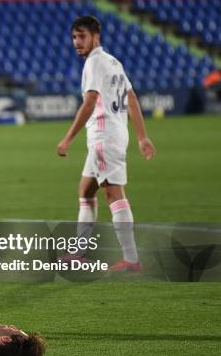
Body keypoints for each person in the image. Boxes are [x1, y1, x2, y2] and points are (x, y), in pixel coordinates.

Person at [57, 16, 156, 272]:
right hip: (114, 133)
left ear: (95, 37)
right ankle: (78, 252)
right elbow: (131, 97)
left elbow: (89, 103)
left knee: (113, 193)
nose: (77, 42)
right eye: (74, 37)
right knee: (86, 191)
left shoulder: (94, 63)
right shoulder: (113, 61)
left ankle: (131, 259)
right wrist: (141, 136)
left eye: (82, 37)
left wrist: (68, 138)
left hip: (104, 136)